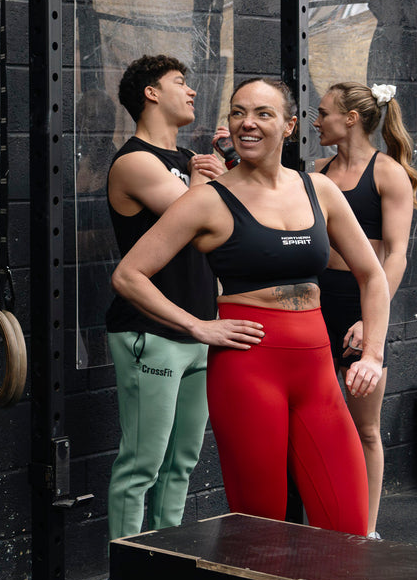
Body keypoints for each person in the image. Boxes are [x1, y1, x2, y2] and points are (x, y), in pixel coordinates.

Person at [112, 77, 388, 536]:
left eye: (263, 113)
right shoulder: (208, 199)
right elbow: (128, 275)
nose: (247, 123)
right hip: (248, 368)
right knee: (264, 525)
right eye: (238, 112)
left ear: (289, 126)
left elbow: (372, 274)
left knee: (350, 525)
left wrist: (373, 353)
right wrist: (200, 327)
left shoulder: (318, 189)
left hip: (316, 369)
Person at [103, 57, 223, 580]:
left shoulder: (190, 160)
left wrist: (221, 167)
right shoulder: (136, 162)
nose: (192, 91)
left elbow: (226, 227)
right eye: (180, 83)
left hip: (202, 331)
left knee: (182, 463)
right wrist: (222, 176)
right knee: (141, 465)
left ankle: (166, 572)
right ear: (150, 93)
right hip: (150, 334)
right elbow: (202, 221)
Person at [312, 81, 417, 537]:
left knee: (366, 429)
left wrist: (369, 319)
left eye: (324, 113)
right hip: (316, 302)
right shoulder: (316, 170)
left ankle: (366, 531)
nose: (317, 121)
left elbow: (396, 254)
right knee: (317, 424)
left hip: (363, 302)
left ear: (350, 119)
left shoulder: (387, 172)